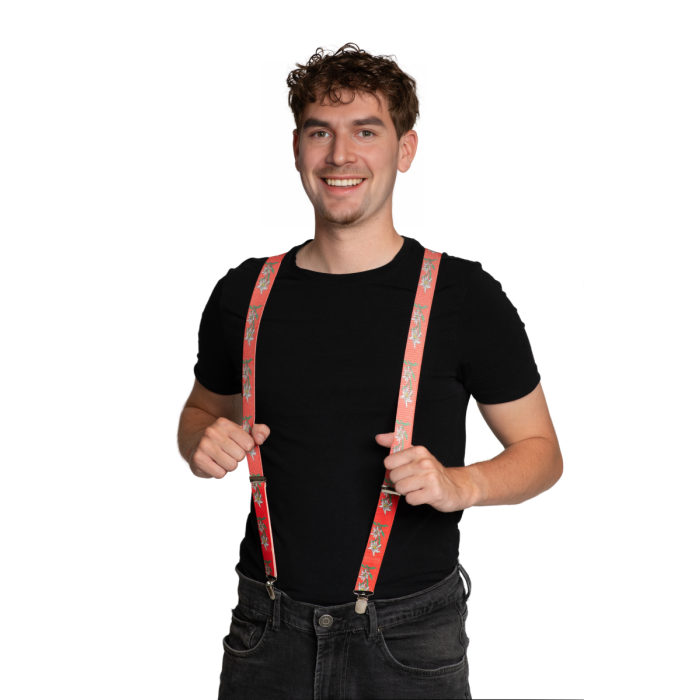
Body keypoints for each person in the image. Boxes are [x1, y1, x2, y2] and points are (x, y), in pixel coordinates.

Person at [177, 43, 563, 700]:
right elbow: (200, 414)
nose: (340, 155)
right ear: (296, 148)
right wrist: (199, 442)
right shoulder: (243, 294)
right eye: (319, 132)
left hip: (410, 639)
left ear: (404, 150)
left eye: (365, 131)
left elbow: (542, 453)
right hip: (265, 632)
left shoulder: (464, 297)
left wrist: (461, 484)